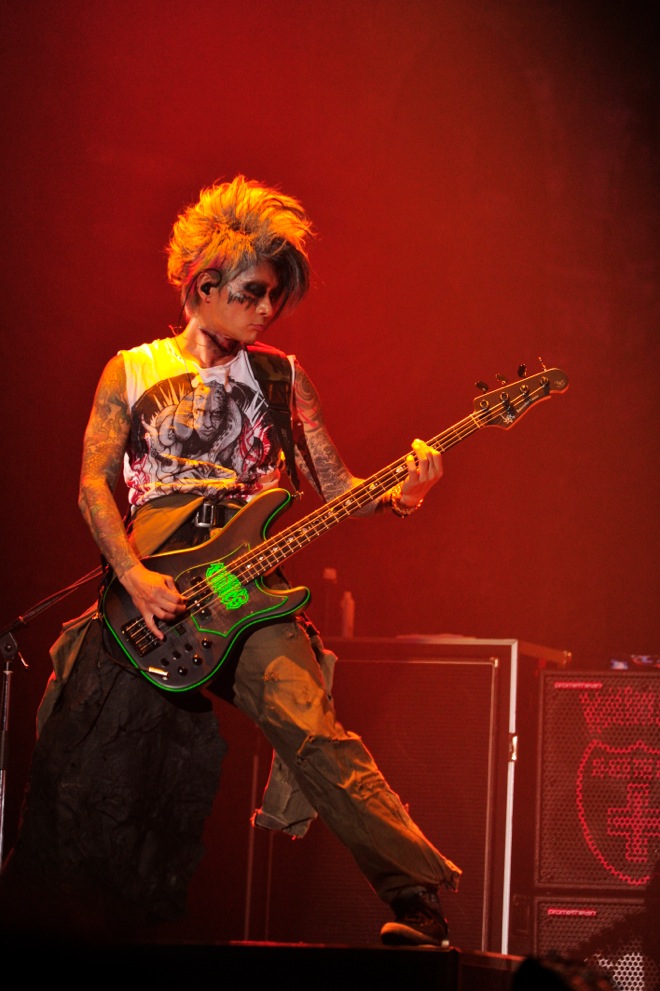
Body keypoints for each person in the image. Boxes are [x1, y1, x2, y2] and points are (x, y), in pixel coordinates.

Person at [0, 175, 461, 948]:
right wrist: (134, 575)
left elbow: (339, 487)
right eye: (252, 294)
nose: (266, 309)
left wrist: (403, 495)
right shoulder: (131, 370)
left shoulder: (282, 377)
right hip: (148, 591)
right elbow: (92, 485)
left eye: (275, 296)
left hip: (246, 584)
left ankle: (416, 898)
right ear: (202, 284)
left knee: (312, 728)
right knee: (86, 758)